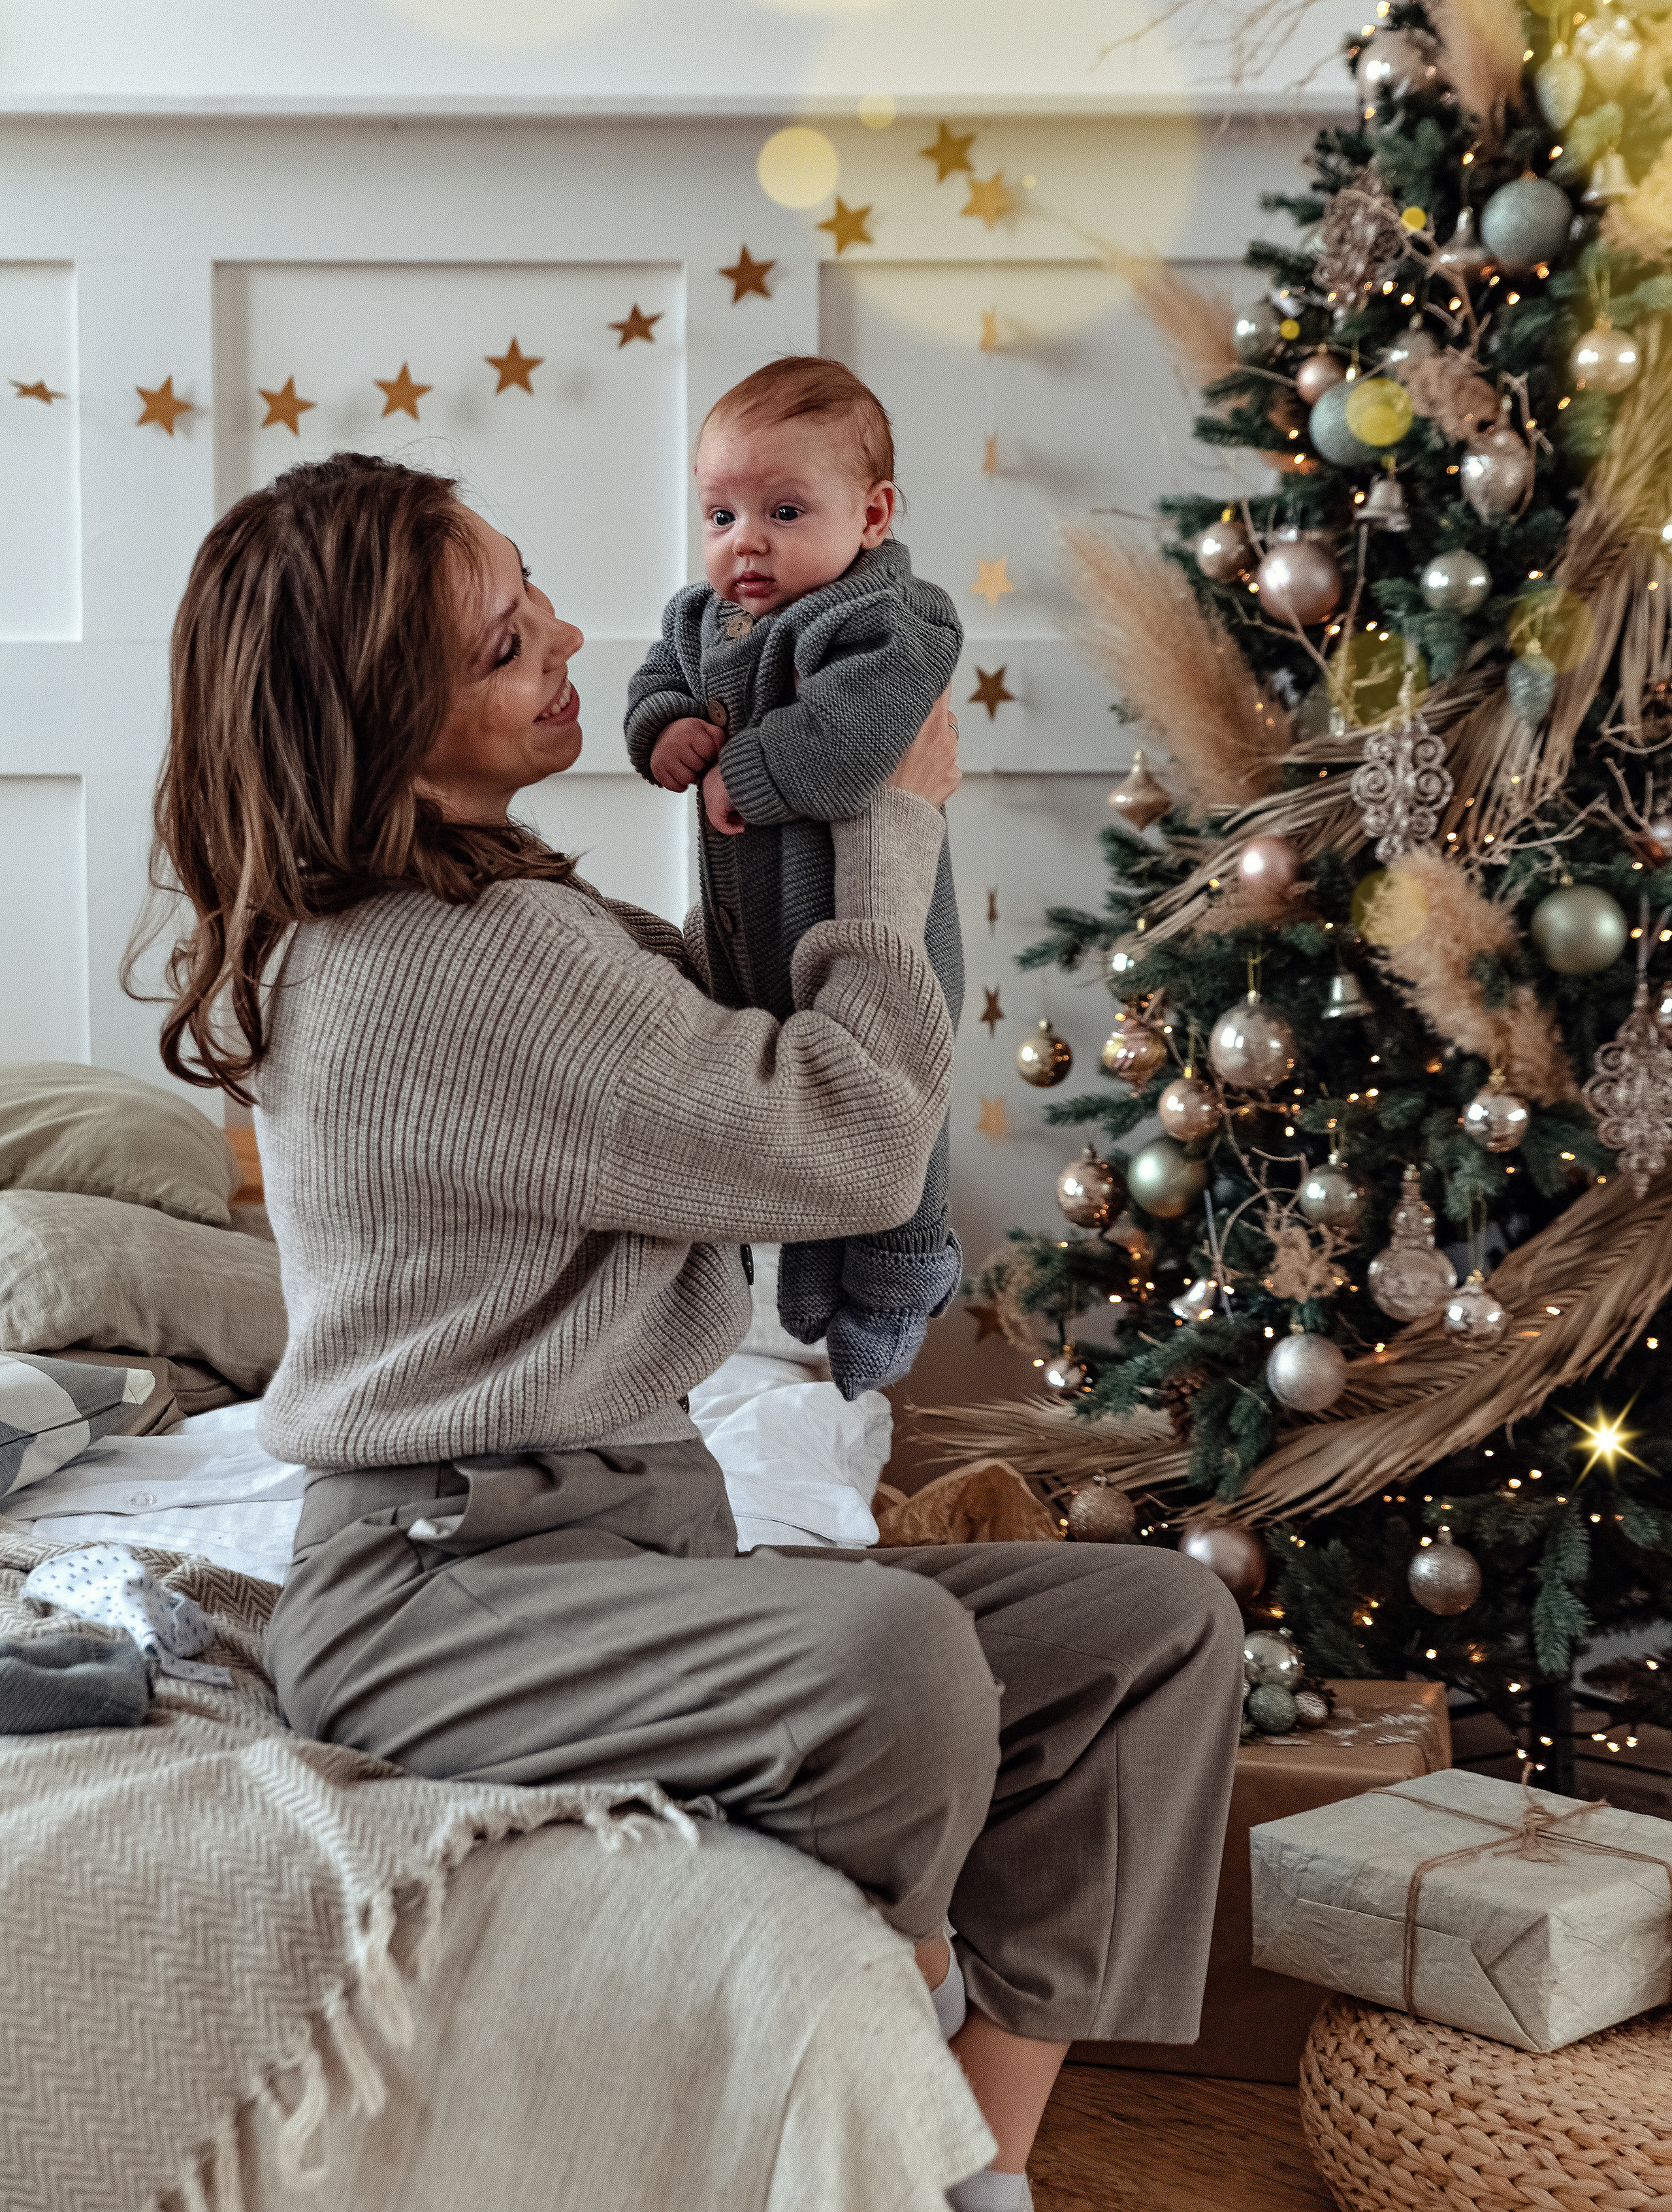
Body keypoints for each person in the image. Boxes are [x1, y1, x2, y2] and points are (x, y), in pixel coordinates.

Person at [138, 452, 1244, 2211]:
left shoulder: (498, 913)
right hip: (440, 1589)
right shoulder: (435, 965)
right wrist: (884, 829)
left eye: (530, 594)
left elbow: (715, 1048)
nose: (567, 637)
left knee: (1155, 1628)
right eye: (505, 642)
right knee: (901, 1662)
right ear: (383, 725)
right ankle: (912, 2111)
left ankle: (983, 2163)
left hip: (628, 1538)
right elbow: (847, 1141)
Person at [626, 356, 964, 1400]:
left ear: (873, 514)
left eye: (783, 511)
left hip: (879, 920)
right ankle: (803, 1268)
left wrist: (750, 768)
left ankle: (900, 1272)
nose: (747, 542)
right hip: (750, 930)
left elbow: (856, 734)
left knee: (893, 1100)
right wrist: (665, 730)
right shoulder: (700, 617)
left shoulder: (891, 616)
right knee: (786, 1099)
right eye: (721, 514)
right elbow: (656, 679)